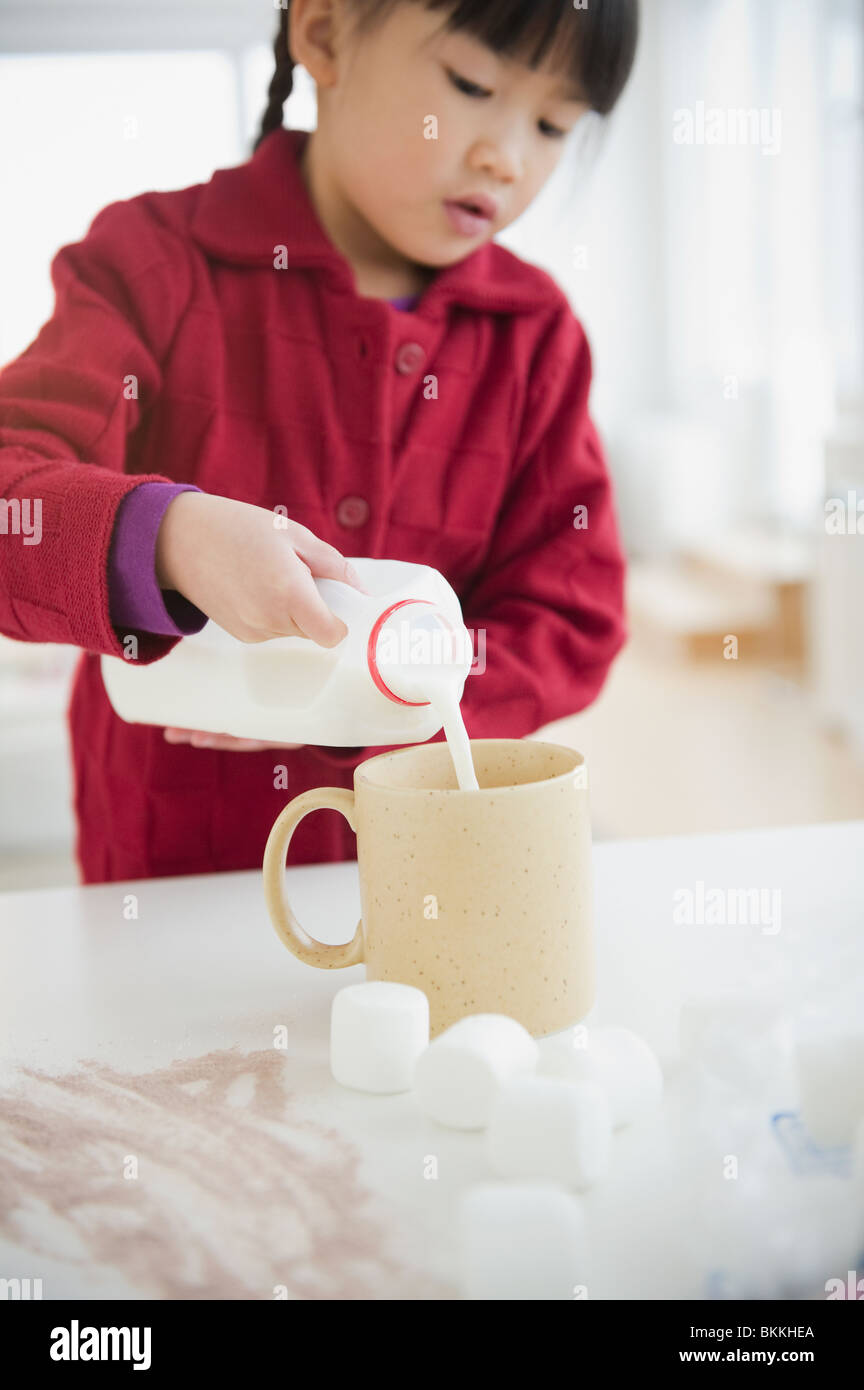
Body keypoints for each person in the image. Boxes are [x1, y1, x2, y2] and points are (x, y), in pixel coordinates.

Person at [0, 0, 638, 883]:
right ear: (326, 32)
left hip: (429, 877)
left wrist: (380, 696)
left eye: (553, 123)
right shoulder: (153, 262)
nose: (509, 157)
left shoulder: (534, 335)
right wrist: (172, 540)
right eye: (471, 85)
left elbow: (572, 615)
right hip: (172, 887)